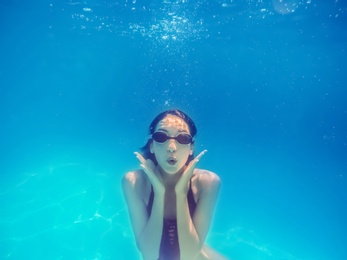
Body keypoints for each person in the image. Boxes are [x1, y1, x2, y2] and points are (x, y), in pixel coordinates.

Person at [122, 109, 225, 260]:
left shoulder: (208, 182)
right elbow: (149, 255)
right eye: (161, 136)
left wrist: (181, 192)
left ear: (191, 148)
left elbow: (190, 255)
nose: (171, 147)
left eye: (182, 138)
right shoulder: (134, 182)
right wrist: (159, 193)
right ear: (151, 146)